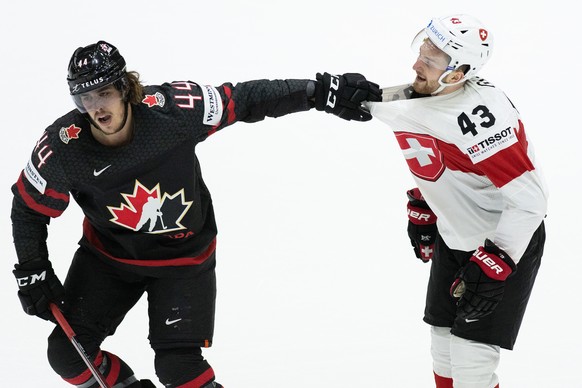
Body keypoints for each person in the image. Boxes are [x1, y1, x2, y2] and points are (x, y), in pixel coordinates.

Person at [10, 40, 381, 388]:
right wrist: (32, 268)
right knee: (68, 355)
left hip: (184, 259)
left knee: (178, 367)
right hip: (109, 259)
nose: (96, 108)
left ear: (125, 88)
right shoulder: (63, 147)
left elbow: (245, 99)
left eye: (104, 92)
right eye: (85, 97)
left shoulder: (173, 111)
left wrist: (319, 92)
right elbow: (27, 209)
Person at [365, 14, 548, 388]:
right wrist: (425, 201)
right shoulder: (429, 98)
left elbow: (531, 200)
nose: (416, 64)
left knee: (472, 363)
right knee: (444, 347)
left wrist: (498, 262)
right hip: (455, 234)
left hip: (503, 244)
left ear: (457, 72)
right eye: (422, 52)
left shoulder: (482, 116)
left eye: (430, 60)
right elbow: (455, 168)